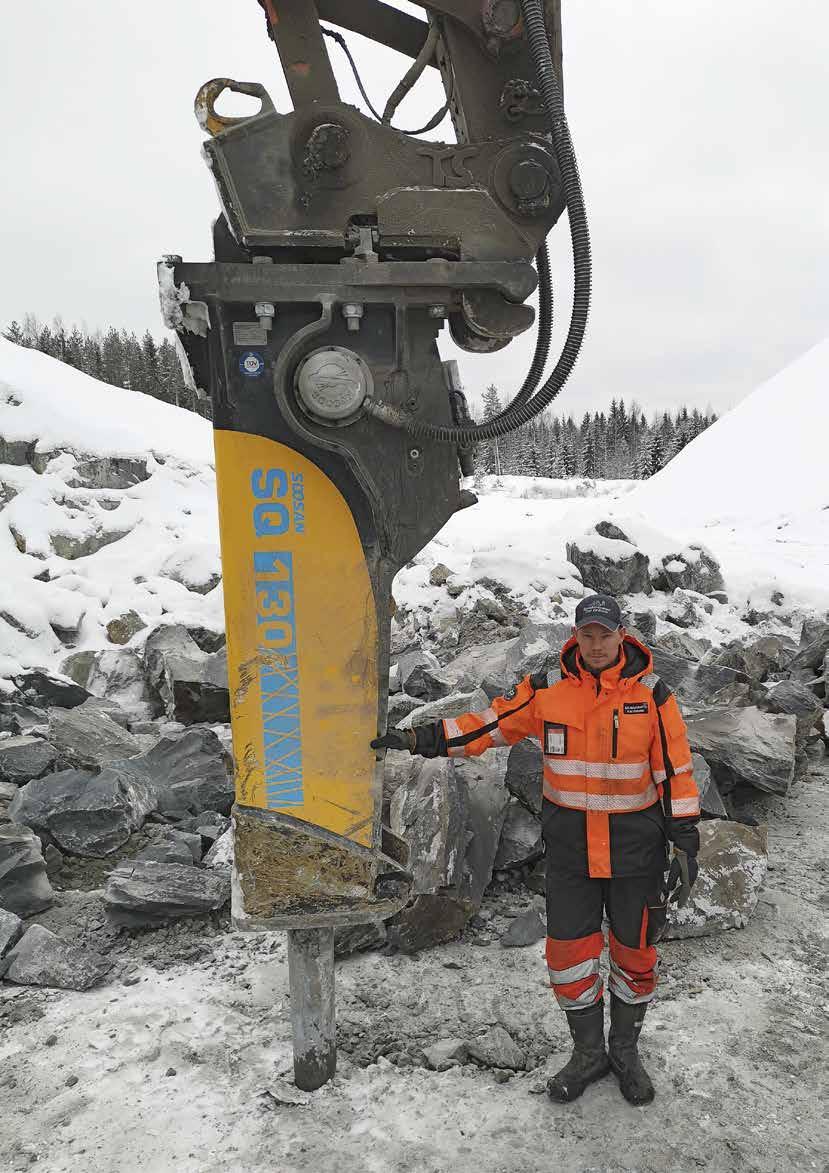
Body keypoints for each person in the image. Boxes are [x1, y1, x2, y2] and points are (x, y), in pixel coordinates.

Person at [371, 592, 700, 1105]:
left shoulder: (652, 696)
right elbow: (487, 726)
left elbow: (676, 771)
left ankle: (625, 1052)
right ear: (576, 635)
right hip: (570, 855)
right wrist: (422, 739)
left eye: (604, 634)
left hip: (635, 852)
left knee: (636, 954)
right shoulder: (547, 689)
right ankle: (588, 1053)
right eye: (586, 634)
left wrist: (686, 839)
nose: (595, 644)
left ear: (622, 636)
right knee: (569, 955)